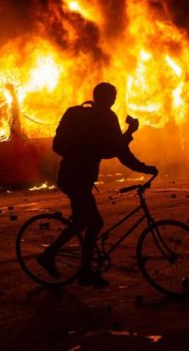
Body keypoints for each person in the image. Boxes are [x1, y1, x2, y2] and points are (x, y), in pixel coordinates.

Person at [38, 82, 157, 288]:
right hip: (77, 178)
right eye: (113, 97)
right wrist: (143, 166)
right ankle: (62, 261)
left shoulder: (85, 115)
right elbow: (118, 152)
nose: (114, 100)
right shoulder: (105, 118)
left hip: (71, 176)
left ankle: (65, 261)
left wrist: (128, 138)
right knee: (88, 222)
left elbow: (112, 149)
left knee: (89, 222)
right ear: (107, 98)